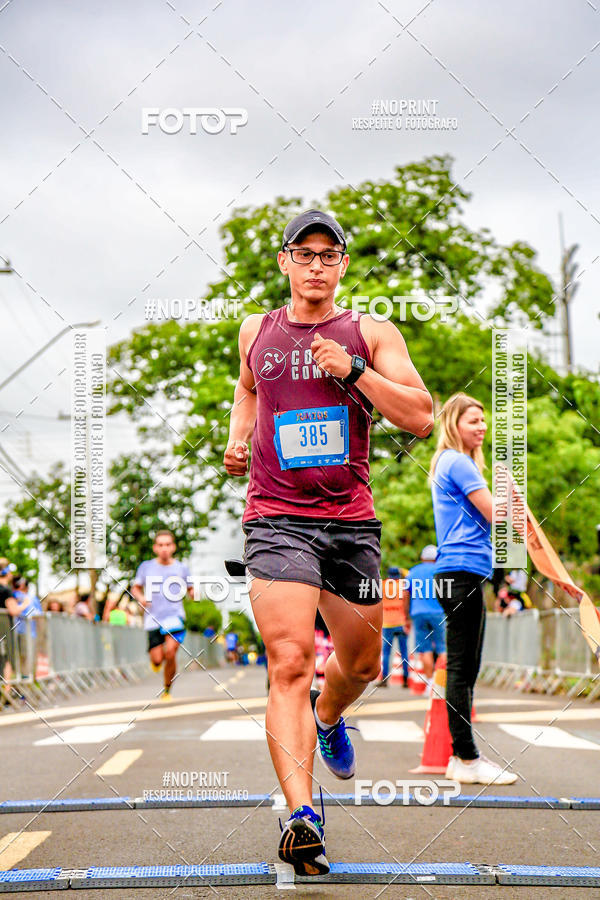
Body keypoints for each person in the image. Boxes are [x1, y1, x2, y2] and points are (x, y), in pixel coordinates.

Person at [224, 208, 433, 875]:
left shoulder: (370, 331)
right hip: (276, 518)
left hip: (350, 522)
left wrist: (353, 373)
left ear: (342, 265)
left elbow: (422, 418)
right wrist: (238, 436)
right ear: (285, 261)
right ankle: (301, 816)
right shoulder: (255, 330)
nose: (315, 264)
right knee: (287, 660)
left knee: (364, 662)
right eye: (303, 253)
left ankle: (329, 713)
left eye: (328, 254)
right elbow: (248, 389)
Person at [429, 392, 517, 785]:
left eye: (483, 420)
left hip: (463, 572)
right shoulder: (458, 462)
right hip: (460, 571)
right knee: (463, 668)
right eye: (472, 421)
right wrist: (513, 503)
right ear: (454, 425)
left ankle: (458, 757)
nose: (481, 427)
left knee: (466, 667)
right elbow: (497, 513)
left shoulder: (454, 463)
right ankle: (466, 758)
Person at [132, 531, 193, 700]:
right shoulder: (146, 567)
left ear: (173, 547)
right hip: (153, 618)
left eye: (167, 544)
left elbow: (191, 588)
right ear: (155, 548)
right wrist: (141, 598)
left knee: (171, 653)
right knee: (158, 659)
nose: (164, 548)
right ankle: (156, 662)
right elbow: (135, 587)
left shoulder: (181, 568)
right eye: (160, 545)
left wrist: (195, 593)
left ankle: (167, 688)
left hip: (175, 616)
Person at [402, 545, 446, 692]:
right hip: (438, 613)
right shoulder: (441, 570)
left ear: (422, 558)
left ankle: (430, 683)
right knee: (442, 648)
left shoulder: (413, 572)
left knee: (424, 648)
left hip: (418, 613)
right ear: (436, 558)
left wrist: (406, 617)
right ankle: (443, 683)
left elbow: (406, 596)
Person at [377, 566, 409, 687]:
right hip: (401, 622)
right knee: (404, 651)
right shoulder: (403, 585)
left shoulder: (383, 585)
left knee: (386, 653)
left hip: (387, 623)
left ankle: (385, 679)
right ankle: (405, 680)